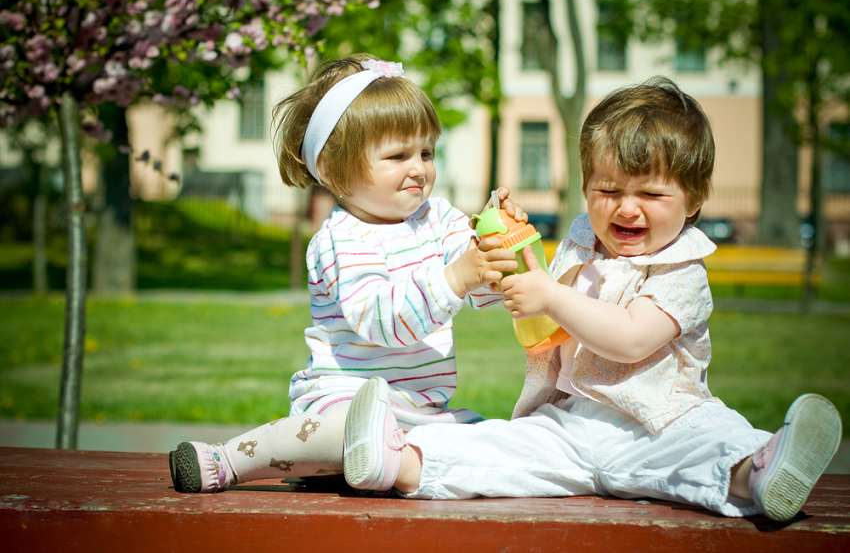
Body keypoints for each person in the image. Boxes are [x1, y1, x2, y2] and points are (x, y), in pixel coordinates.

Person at [341, 76, 843, 521]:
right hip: (568, 422)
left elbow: (629, 338)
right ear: (585, 187)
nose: (626, 208)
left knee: (712, 446)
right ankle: (397, 461)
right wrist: (509, 243)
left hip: (663, 424)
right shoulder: (582, 242)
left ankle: (762, 472)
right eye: (608, 190)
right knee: (497, 448)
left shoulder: (682, 269)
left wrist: (552, 298)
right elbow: (538, 311)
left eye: (650, 194)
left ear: (694, 200)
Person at [168, 54, 525, 493]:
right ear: (336, 170)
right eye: (397, 154)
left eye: (427, 152)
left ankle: (369, 463)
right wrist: (457, 277)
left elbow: (478, 291)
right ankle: (232, 460)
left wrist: (494, 245)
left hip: (421, 407)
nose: (419, 167)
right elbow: (379, 321)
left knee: (494, 438)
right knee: (334, 430)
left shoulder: (441, 218)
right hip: (345, 397)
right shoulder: (341, 239)